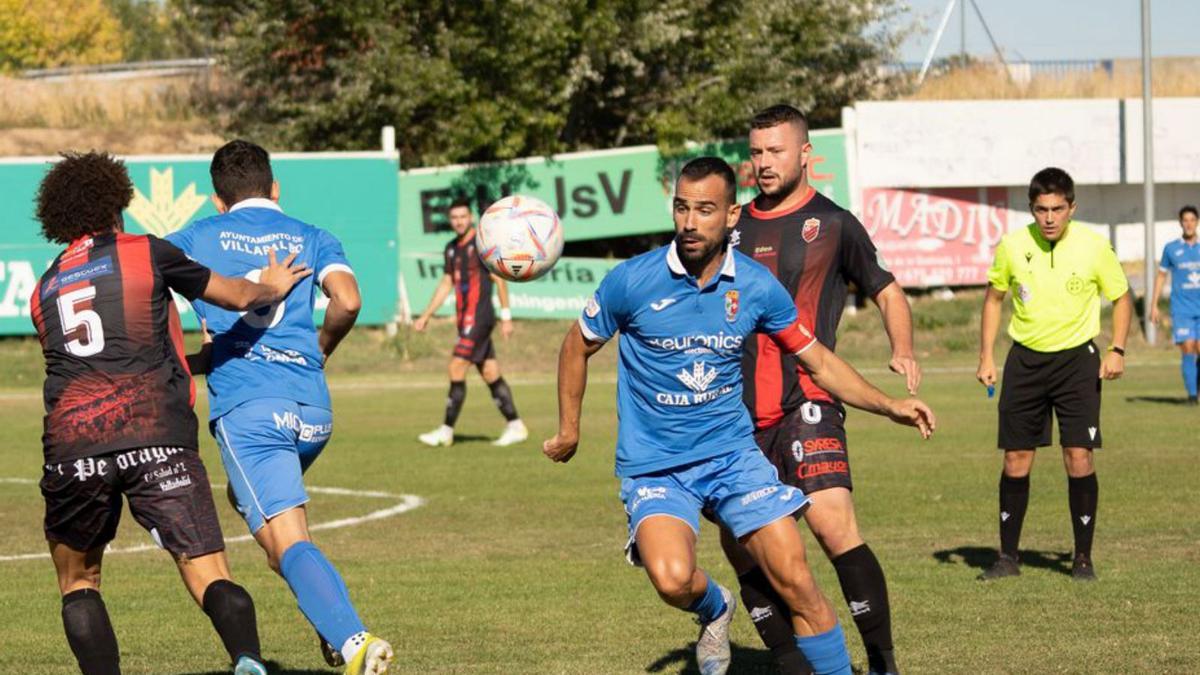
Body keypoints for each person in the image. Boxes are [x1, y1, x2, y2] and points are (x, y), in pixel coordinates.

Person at [542, 157, 935, 675]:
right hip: (656, 465)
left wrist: (887, 405)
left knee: (798, 581)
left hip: (732, 458)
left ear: (731, 216)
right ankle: (715, 607)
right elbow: (577, 346)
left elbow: (816, 358)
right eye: (682, 207)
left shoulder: (754, 286)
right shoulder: (632, 280)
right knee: (672, 578)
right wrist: (570, 428)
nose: (689, 221)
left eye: (704, 210)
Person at [31, 151, 310, 675]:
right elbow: (233, 295)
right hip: (155, 433)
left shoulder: (44, 286)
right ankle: (248, 661)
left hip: (73, 445)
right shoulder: (146, 252)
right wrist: (271, 285)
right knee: (208, 572)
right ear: (117, 203)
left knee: (78, 583)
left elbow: (90, 364)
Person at [167, 140, 393, 674]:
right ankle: (332, 627)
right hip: (313, 411)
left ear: (218, 201)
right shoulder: (313, 236)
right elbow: (349, 299)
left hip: (251, 411)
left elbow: (144, 282)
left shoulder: (197, 236)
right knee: (276, 542)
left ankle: (355, 640)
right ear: (275, 190)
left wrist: (177, 359)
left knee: (284, 537)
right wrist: (320, 350)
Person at [721, 104, 920, 675]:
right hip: (735, 415)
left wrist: (901, 347)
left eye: (776, 150)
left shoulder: (833, 224)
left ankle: (882, 663)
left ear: (806, 154)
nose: (763, 162)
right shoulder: (730, 225)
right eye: (756, 151)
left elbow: (887, 291)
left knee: (833, 522)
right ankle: (792, 661)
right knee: (743, 544)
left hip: (808, 398)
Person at [977, 167, 1132, 582]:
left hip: (1077, 362)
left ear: (1071, 208)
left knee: (1078, 455)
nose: (1049, 218)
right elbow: (993, 299)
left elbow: (1120, 298)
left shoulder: (1095, 247)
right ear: (1032, 209)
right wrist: (986, 357)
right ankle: (1008, 557)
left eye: (1057, 209)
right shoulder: (1011, 246)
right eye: (1041, 209)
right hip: (1025, 361)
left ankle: (1082, 558)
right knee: (1016, 458)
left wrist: (1116, 348)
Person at [414, 197, 527, 447]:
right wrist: (426, 315)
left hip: (480, 318)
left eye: (463, 217)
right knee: (490, 372)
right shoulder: (451, 248)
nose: (458, 221)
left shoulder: (483, 244)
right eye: (454, 218)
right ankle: (516, 426)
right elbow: (447, 283)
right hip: (465, 320)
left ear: (472, 218)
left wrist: (506, 317)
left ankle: (446, 431)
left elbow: (500, 279)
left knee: (456, 367)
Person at [1149, 205, 1200, 404]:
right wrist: (1153, 305)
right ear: (1180, 223)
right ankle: (1192, 395)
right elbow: (1161, 277)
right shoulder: (1171, 249)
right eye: (1185, 220)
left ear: (1197, 223)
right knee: (1188, 348)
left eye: (1192, 220)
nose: (1188, 224)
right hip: (1182, 310)